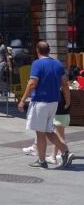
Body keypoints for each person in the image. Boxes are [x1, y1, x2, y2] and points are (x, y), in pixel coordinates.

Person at [18, 41, 74, 169]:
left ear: (37, 50)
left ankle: (43, 160)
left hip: (40, 102)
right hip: (54, 102)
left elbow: (32, 83)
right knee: (48, 131)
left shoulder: (37, 63)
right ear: (49, 50)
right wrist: (68, 99)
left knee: (40, 133)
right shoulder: (57, 63)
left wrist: (22, 100)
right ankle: (64, 152)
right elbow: (65, 83)